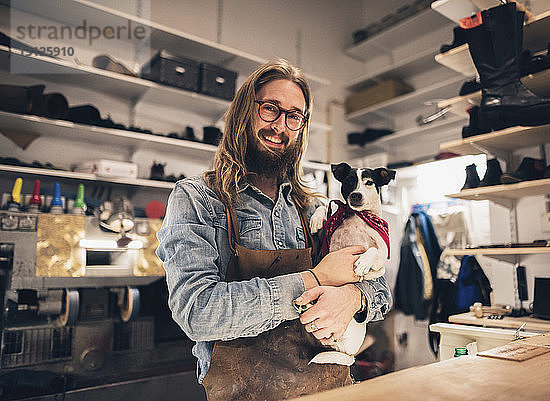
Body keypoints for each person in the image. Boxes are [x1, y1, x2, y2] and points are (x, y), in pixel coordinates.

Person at [156, 58, 392, 400]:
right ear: (244, 113)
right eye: (270, 109)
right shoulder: (198, 198)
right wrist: (314, 280)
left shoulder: (315, 208)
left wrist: (353, 297)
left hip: (329, 389)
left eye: (294, 116)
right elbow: (197, 311)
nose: (280, 126)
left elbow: (381, 290)